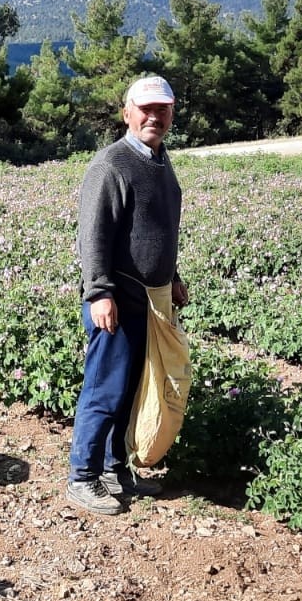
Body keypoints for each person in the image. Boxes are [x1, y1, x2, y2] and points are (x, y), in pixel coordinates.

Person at [67, 75, 189, 515]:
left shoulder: (159, 160)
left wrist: (173, 276)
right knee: (105, 388)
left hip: (150, 300)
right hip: (115, 301)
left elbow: (159, 228)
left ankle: (115, 470)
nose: (154, 117)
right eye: (145, 109)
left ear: (171, 114)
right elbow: (93, 236)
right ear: (127, 114)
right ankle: (82, 476)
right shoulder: (111, 164)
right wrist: (99, 293)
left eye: (163, 110)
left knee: (132, 388)